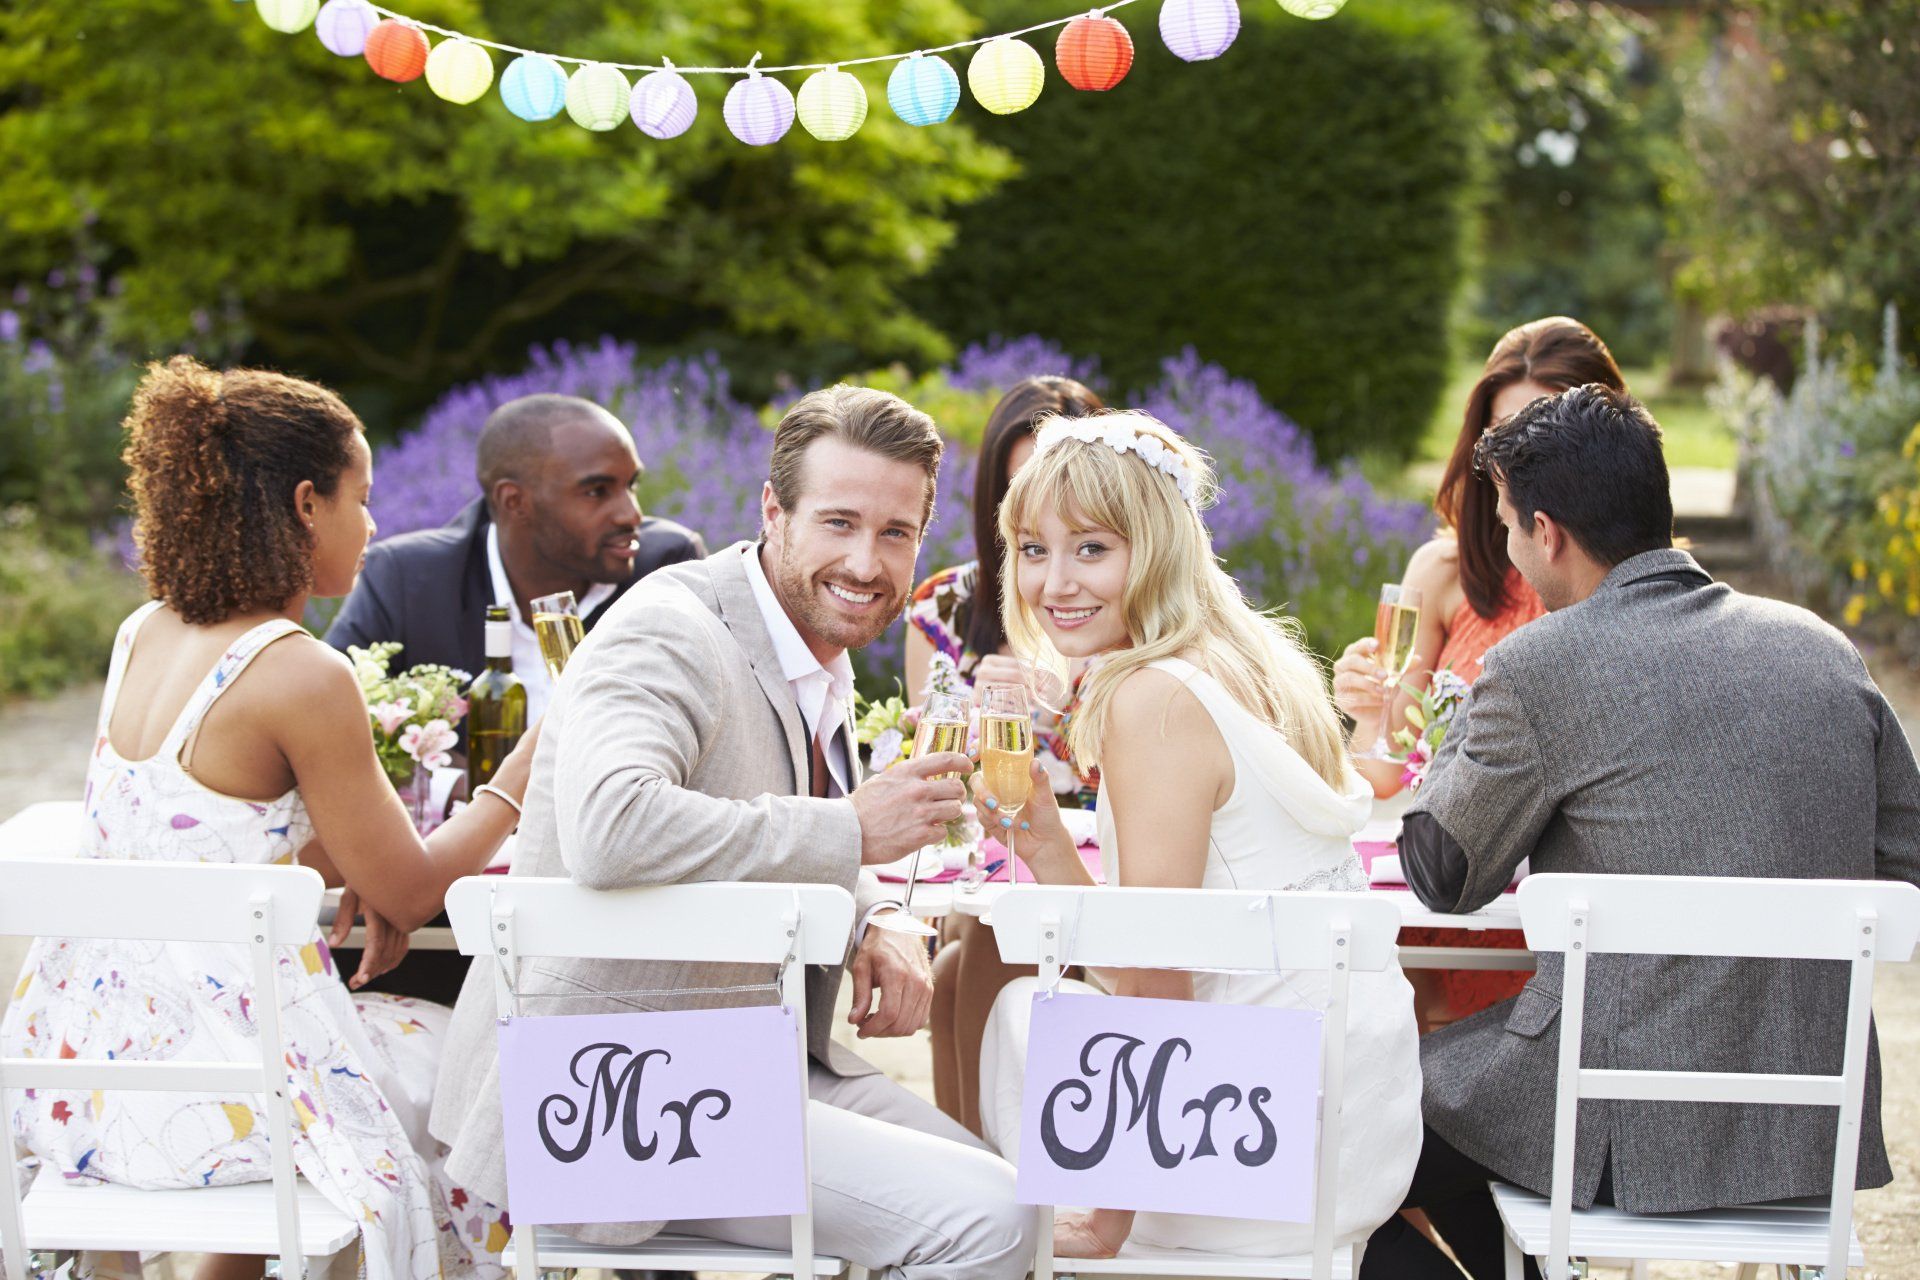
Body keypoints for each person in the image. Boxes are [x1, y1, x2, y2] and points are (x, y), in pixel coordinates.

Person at [429, 385, 1033, 1278]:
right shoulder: (668, 630)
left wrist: (865, 915)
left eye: (895, 533)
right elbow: (611, 825)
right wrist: (847, 837)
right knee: (987, 1222)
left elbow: (766, 812)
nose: (866, 562)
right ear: (772, 512)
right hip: (610, 1094)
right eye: (838, 522)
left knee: (1016, 1193)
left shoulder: (809, 652)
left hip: (744, 1063)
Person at [1362, 384, 1920, 1280]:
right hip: (1804, 1130)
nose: (1505, 547)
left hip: (1610, 1121)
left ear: (1547, 533)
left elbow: (1441, 875)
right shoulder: (1824, 650)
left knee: (1339, 1147)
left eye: (1506, 526)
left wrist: (1459, 713)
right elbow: (1904, 866)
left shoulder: (1537, 665)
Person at [1, 358, 539, 1280]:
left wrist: (328, 868)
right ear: (304, 505)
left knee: (347, 1057)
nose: (373, 526)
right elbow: (410, 886)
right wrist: (529, 768)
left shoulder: (146, 632)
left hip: (88, 1074)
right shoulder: (299, 672)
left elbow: (208, 826)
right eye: (360, 499)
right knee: (465, 1064)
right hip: (219, 1096)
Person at [972, 410, 1422, 1261]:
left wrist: (1110, 1213)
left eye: (1092, 549)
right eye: (1033, 550)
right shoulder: (1251, 658)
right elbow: (1168, 956)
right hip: (1353, 1120)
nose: (1054, 583)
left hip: (1259, 1138)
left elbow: (1157, 973)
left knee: (1021, 1010)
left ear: (1160, 548)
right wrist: (1041, 840)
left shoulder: (1153, 698)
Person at [1331, 317, 1628, 1032]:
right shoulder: (1441, 574)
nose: (1524, 462)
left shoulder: (1628, 580)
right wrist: (1367, 714)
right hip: (1458, 884)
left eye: (1547, 429)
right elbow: (1385, 774)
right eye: (1507, 434)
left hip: (1575, 906)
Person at [904, 374, 1104, 1136]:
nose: (1044, 509)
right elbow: (933, 768)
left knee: (977, 948)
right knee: (959, 957)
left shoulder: (1123, 607)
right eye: (1023, 486)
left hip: (1094, 859)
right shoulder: (949, 606)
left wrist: (1061, 704)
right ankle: (979, 1178)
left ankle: (996, 1192)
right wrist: (969, 724)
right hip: (995, 853)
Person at [324, 392, 705, 724]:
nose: (631, 515)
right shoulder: (408, 579)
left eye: (631, 485)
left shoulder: (668, 567)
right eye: (597, 491)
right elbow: (330, 717)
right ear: (514, 501)